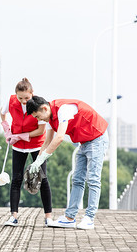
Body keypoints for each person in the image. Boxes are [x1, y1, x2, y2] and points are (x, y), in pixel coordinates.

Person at [26, 96, 109, 230]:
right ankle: (69, 218)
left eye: (37, 116)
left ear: (44, 108)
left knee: (93, 179)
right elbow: (47, 142)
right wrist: (36, 162)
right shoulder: (49, 118)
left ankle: (89, 218)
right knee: (77, 180)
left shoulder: (63, 110)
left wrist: (43, 158)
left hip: (97, 138)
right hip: (83, 142)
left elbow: (59, 138)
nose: (38, 120)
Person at [0, 78, 53, 227]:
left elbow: (41, 130)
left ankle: (48, 216)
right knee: (16, 179)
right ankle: (13, 216)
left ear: (32, 94)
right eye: (20, 98)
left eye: (26, 98)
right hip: (18, 146)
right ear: (16, 95)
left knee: (43, 179)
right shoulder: (10, 101)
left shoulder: (38, 105)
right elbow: (2, 113)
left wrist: (20, 136)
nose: (23, 101)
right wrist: (7, 130)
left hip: (37, 145)